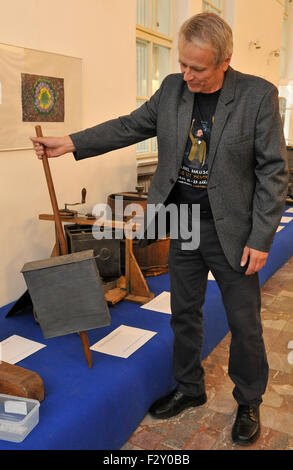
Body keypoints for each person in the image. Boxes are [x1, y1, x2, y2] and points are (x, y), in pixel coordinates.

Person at [31, 12, 288, 446]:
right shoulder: (172, 89)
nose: (186, 74)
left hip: (234, 232)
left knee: (244, 323)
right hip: (183, 223)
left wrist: (261, 238)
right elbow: (129, 126)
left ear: (225, 60)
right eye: (182, 64)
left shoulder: (256, 97)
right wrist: (71, 142)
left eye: (198, 68)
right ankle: (189, 387)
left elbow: (274, 173)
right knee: (182, 313)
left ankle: (249, 400)